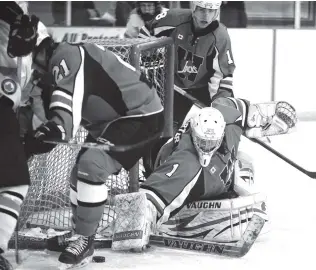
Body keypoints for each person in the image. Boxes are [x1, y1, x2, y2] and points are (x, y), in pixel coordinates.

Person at [24, 33, 165, 267]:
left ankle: (85, 241)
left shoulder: (65, 55)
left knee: (92, 165)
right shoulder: (49, 66)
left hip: (141, 116)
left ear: (40, 48)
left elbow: (64, 117)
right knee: (77, 172)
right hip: (112, 121)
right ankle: (78, 232)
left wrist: (51, 132)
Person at [111, 97, 297, 250]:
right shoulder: (187, 164)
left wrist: (269, 119)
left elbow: (239, 107)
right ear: (193, 133)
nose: (206, 149)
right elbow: (153, 194)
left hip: (212, 177)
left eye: (211, 143)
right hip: (158, 158)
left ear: (223, 132)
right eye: (202, 142)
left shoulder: (229, 123)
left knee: (244, 160)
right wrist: (133, 229)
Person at [139, 1, 235, 129]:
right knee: (161, 131)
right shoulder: (173, 18)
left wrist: (219, 107)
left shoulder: (220, 37)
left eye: (211, 10)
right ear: (194, 8)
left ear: (217, 12)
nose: (206, 16)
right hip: (169, 87)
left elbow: (222, 77)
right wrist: (149, 55)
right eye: (201, 9)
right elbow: (145, 32)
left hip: (201, 91)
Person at [0, 2, 43, 269]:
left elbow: (37, 84)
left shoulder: (34, 26)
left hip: (9, 112)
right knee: (15, 181)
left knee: (14, 181)